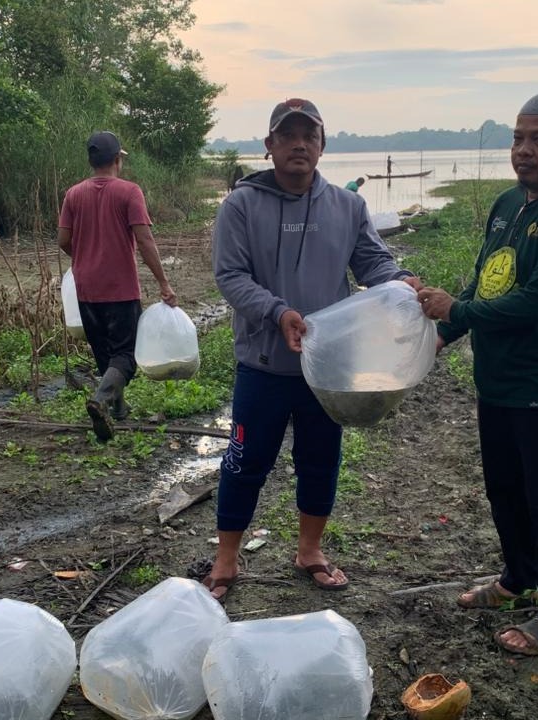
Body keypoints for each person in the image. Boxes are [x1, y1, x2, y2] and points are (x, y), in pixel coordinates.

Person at [205, 98, 420, 601]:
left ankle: (310, 551)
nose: (299, 144)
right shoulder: (241, 205)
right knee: (243, 461)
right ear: (270, 146)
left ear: (322, 146)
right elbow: (230, 276)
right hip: (263, 364)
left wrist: (402, 283)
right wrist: (278, 312)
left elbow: (374, 264)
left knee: (321, 460)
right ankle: (226, 558)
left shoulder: (347, 207)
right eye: (288, 135)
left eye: (310, 135)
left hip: (329, 369)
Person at [416, 92, 538, 655]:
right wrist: (442, 335)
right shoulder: (508, 203)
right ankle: (517, 576)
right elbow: (487, 282)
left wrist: (457, 311)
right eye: (518, 138)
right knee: (505, 490)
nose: (523, 150)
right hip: (497, 381)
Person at [57, 131, 177, 442]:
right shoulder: (129, 192)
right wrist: (163, 282)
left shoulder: (73, 194)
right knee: (125, 354)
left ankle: (117, 410)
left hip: (86, 289)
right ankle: (100, 400)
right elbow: (145, 239)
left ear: (90, 160)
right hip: (120, 289)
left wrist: (83, 260)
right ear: (116, 160)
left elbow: (63, 241)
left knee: (104, 353)